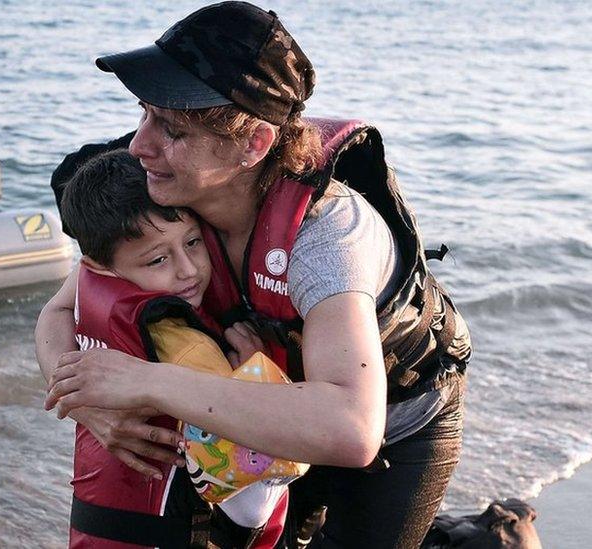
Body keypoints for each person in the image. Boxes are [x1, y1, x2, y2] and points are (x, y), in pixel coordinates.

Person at [38, 2, 472, 547]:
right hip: (264, 413)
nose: (138, 146)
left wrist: (144, 382)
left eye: (170, 128)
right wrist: (88, 399)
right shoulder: (166, 197)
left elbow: (352, 427)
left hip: (399, 424)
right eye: (142, 113)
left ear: (253, 144)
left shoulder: (327, 233)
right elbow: (59, 310)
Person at [58, 149, 305, 548]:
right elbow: (251, 510)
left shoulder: (93, 295)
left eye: (193, 241)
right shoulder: (189, 351)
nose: (188, 269)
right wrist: (257, 376)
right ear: (100, 266)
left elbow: (55, 309)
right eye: (158, 260)